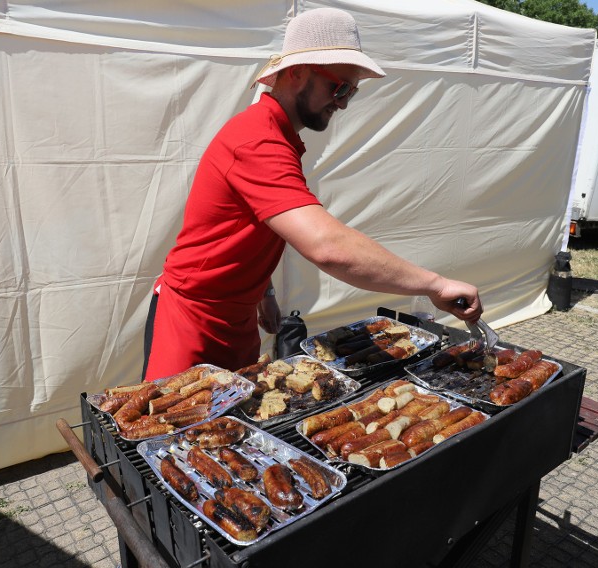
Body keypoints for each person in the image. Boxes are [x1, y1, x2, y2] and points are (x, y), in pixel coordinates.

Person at [142, 7, 483, 381]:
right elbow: (328, 246)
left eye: (352, 91)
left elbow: (253, 225)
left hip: (235, 318)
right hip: (192, 320)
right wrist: (435, 284)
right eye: (338, 87)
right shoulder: (258, 139)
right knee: (175, 433)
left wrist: (264, 294)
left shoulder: (280, 136)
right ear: (296, 72)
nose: (343, 102)